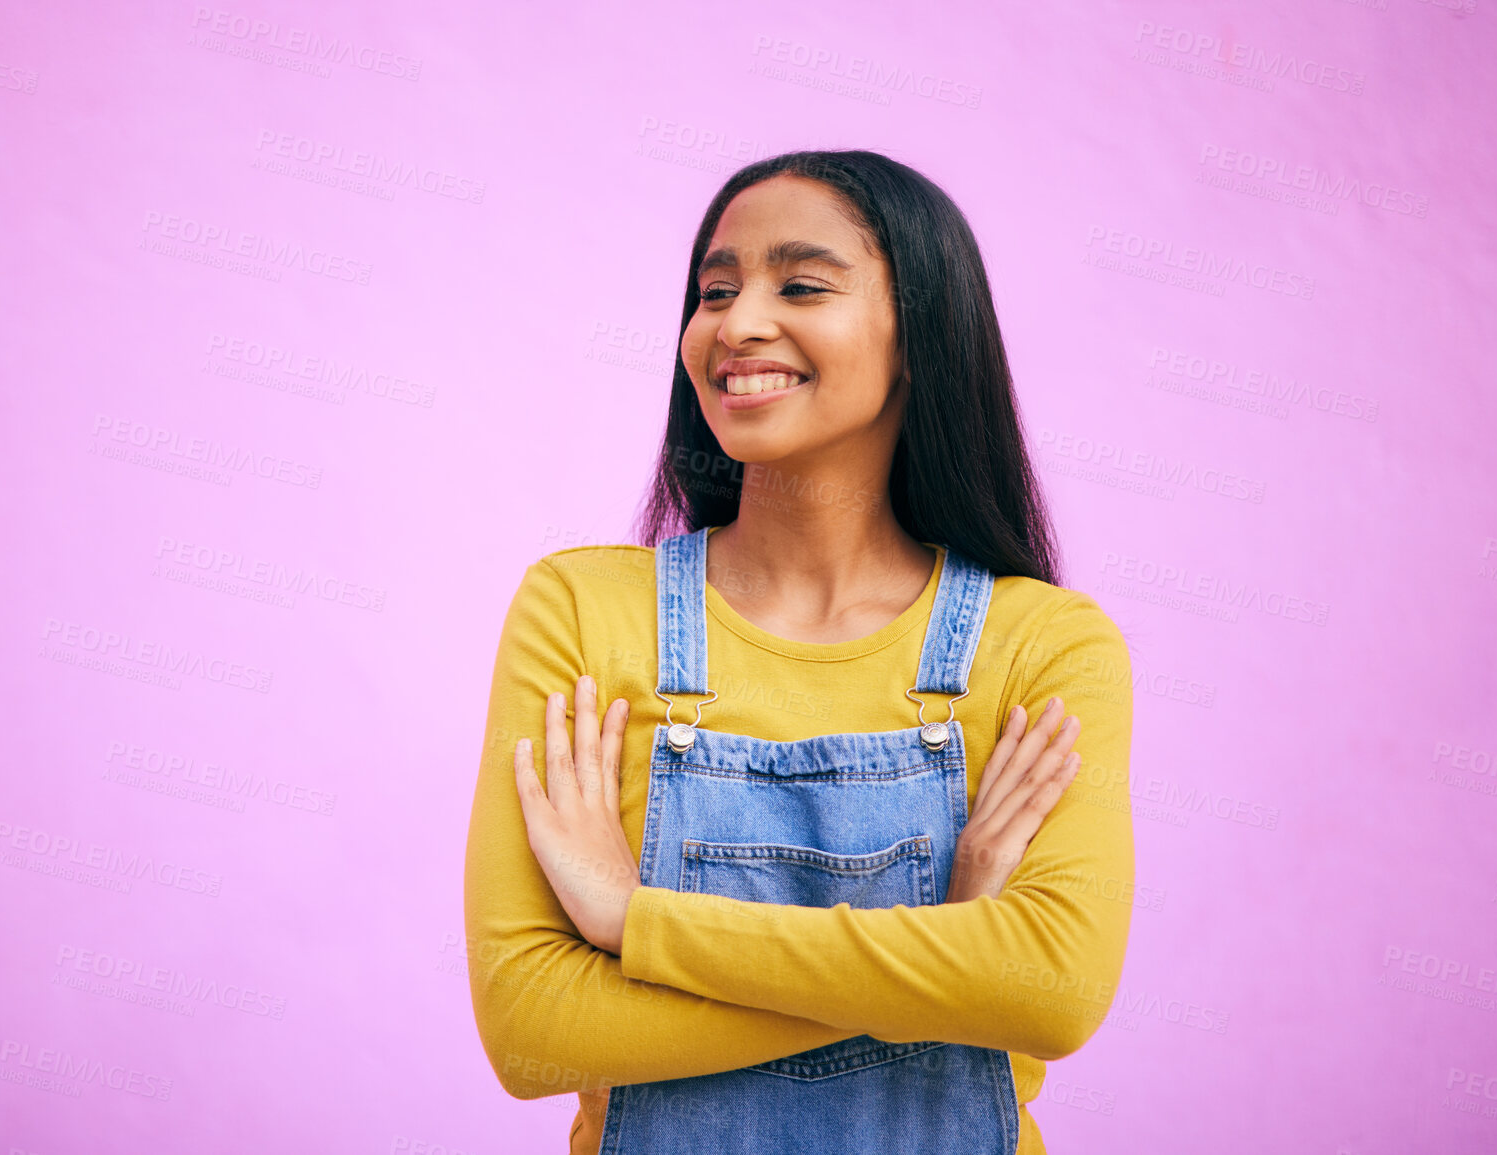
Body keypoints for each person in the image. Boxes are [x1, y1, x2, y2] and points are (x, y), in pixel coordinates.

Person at [463, 149, 1136, 1154]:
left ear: (921, 335)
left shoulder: (1043, 643)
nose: (735, 325)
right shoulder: (584, 611)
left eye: (802, 285)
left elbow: (1051, 990)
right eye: (715, 291)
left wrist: (631, 922)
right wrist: (941, 948)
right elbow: (534, 1031)